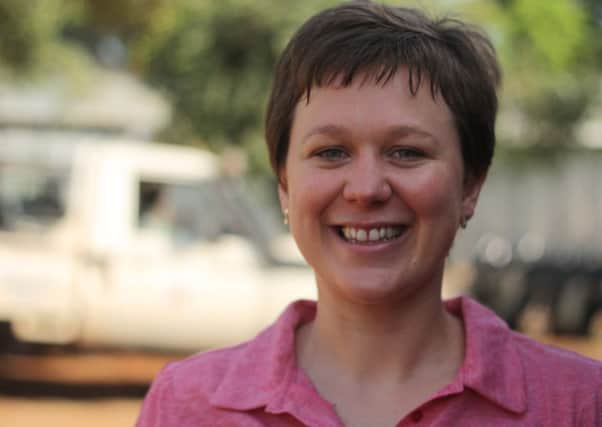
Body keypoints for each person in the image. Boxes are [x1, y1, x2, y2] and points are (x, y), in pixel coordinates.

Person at [136, 1, 602, 426]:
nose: (365, 190)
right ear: (284, 184)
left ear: (471, 184)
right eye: (332, 152)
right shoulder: (187, 406)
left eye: (406, 152)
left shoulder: (579, 404)